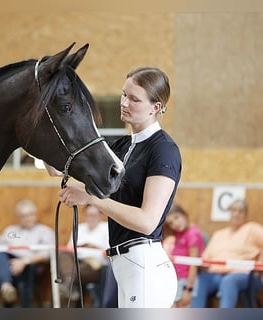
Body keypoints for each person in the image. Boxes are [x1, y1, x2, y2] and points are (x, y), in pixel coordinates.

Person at [46, 66, 182, 307]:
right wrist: (40, 135)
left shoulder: (163, 150)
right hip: (123, 265)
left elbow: (147, 221)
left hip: (145, 266)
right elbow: (58, 168)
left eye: (134, 99)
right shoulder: (121, 145)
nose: (124, 103)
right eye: (124, 95)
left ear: (156, 107)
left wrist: (91, 197)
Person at [0, 199, 55, 308]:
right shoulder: (11, 230)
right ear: (18, 217)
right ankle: (6, 285)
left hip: (28, 267)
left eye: (30, 214)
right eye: (23, 216)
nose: (27, 218)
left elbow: (46, 254)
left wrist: (24, 261)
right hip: (7, 264)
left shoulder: (44, 231)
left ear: (35, 214)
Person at [191, 199, 263, 308]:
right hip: (216, 274)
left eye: (240, 211)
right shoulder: (219, 234)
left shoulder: (252, 229)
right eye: (233, 210)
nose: (236, 214)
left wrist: (260, 266)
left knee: (229, 281)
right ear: (229, 213)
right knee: (201, 280)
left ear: (246, 214)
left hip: (244, 275)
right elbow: (205, 258)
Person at [58, 204, 109, 307]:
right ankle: (69, 283)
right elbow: (69, 249)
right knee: (63, 254)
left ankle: (68, 284)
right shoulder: (79, 228)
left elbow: (109, 253)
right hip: (77, 261)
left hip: (96, 264)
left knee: (65, 277)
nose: (90, 218)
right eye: (88, 215)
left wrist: (94, 247)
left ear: (100, 215)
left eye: (93, 215)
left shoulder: (107, 228)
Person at [165, 204, 205, 307]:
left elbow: (193, 264)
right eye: (171, 223)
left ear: (184, 215)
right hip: (176, 279)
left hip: (186, 281)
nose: (175, 223)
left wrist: (188, 289)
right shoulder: (178, 233)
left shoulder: (193, 234)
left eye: (176, 217)